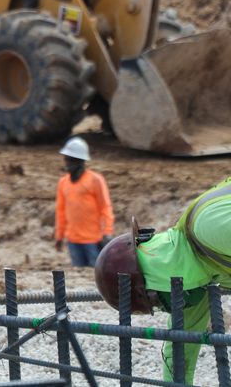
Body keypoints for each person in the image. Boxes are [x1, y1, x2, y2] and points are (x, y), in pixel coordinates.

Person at [95, 179, 231, 385]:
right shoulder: (196, 268)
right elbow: (180, 348)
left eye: (158, 302)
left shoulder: (209, 229)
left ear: (154, 283)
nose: (166, 308)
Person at [53, 136, 114, 267]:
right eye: (67, 160)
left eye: (71, 160)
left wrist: (107, 233)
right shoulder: (63, 183)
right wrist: (59, 236)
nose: (67, 164)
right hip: (73, 241)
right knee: (79, 276)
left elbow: (105, 207)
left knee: (95, 276)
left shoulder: (95, 180)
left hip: (93, 240)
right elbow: (60, 211)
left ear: (81, 161)